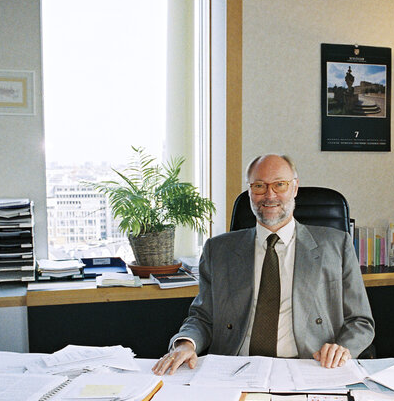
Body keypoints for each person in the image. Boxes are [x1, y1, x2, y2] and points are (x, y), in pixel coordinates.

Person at [152, 154, 374, 375]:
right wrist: (185, 344)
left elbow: (360, 321)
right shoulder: (218, 250)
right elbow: (203, 317)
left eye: (280, 185)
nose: (269, 195)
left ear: (295, 188)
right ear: (249, 191)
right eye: (259, 186)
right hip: (235, 370)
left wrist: (343, 349)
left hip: (311, 367)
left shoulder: (336, 245)